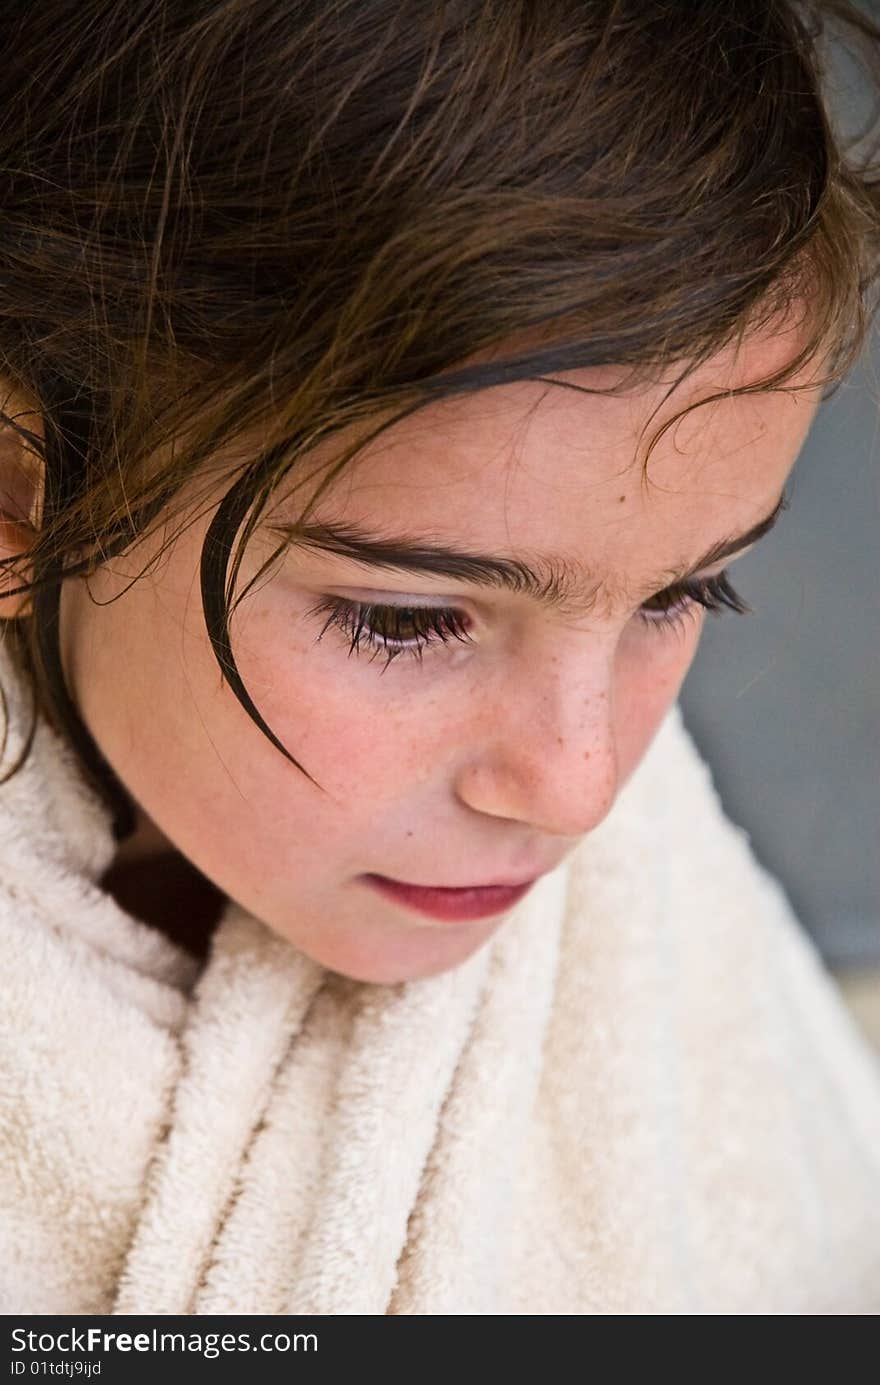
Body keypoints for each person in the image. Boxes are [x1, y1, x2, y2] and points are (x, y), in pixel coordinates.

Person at [1, 0, 879, 1316]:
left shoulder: (652, 923)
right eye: (408, 619)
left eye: (685, 589)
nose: (581, 785)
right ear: (22, 498)